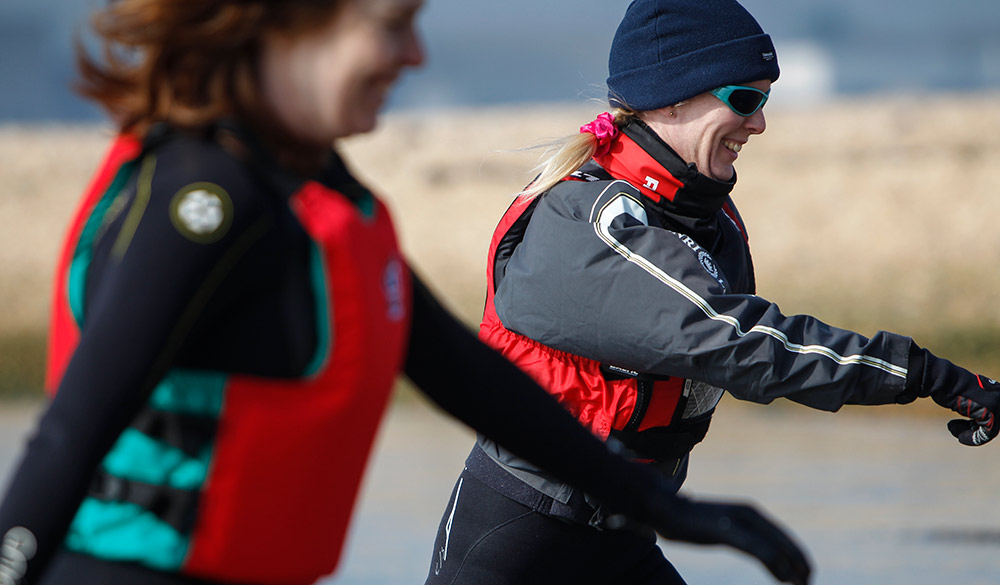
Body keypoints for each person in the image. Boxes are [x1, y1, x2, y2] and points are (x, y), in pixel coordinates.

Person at [0, 1, 814, 585]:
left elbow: (470, 378)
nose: (414, 55)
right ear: (288, 25)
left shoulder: (320, 197)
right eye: (391, 26)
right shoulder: (200, 202)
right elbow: (71, 434)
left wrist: (667, 508)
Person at [423, 0, 1000, 584]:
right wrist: (926, 375)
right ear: (672, 97)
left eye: (766, 101)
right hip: (519, 538)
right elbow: (740, 344)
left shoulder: (704, 214)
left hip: (623, 531)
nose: (759, 124)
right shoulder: (590, 223)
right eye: (744, 101)